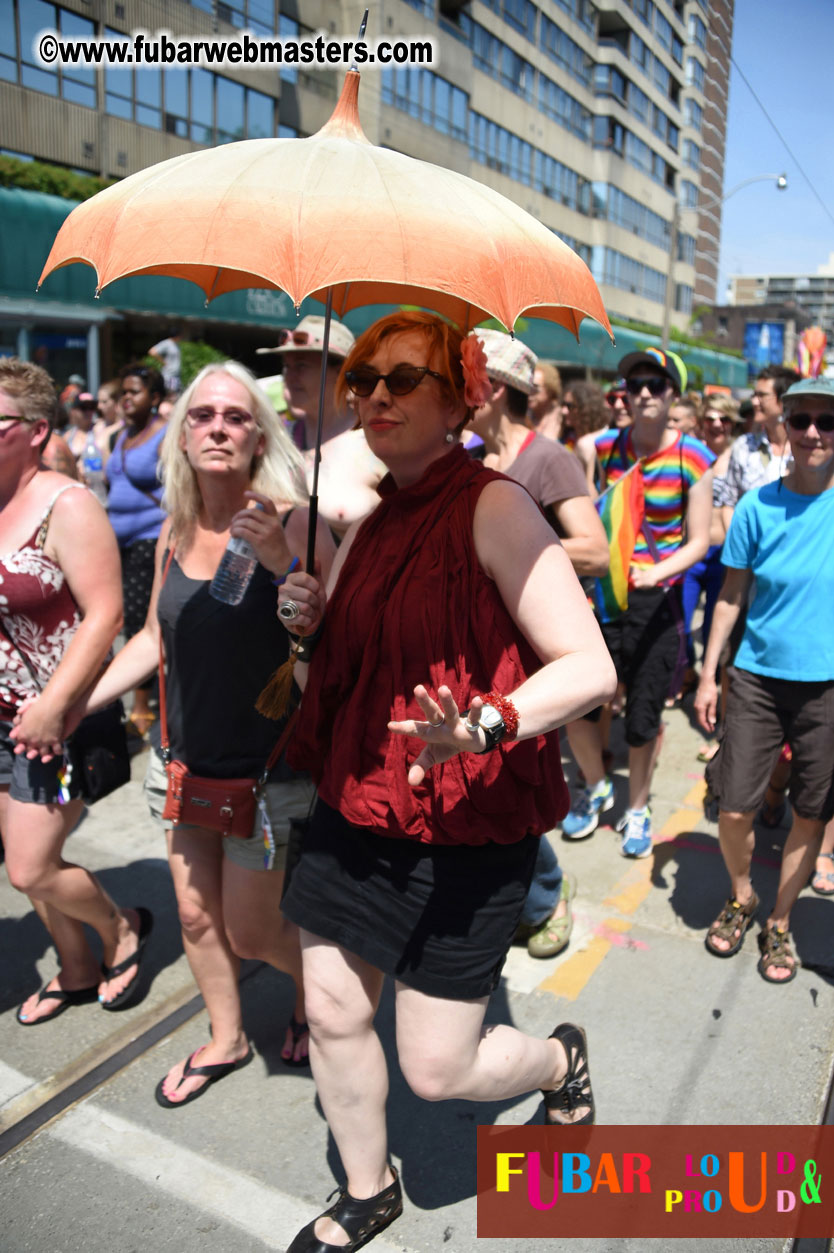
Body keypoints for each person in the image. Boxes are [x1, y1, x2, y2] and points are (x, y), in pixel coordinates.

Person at [275, 311, 616, 1251]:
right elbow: (326, 679)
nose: (375, 395)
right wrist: (305, 619)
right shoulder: (374, 517)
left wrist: (484, 725)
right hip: (358, 805)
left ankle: (558, 1059)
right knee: (336, 1009)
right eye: (364, 380)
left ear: (461, 397)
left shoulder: (496, 506)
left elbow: (591, 669)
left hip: (465, 823)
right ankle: (365, 1186)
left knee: (437, 1067)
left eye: (402, 379)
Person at [73, 362, 336, 1096]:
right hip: (184, 759)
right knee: (192, 912)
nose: (217, 427)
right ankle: (225, 1036)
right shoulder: (175, 529)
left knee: (254, 931)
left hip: (267, 772)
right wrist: (82, 698)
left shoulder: (297, 525)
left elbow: (332, 653)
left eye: (235, 416)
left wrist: (285, 566)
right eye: (202, 415)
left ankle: (318, 988)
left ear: (259, 437)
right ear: (183, 435)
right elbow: (156, 638)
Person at [0, 358, 151, 1024]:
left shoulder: (68, 503)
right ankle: (76, 965)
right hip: (5, 716)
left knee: (30, 868)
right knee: (25, 853)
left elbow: (107, 615)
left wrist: (55, 707)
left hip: (61, 722)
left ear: (34, 430)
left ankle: (118, 927)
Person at [470, 328, 609, 959]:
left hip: (534, 651)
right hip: (477, 644)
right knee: (479, 770)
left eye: (463, 381)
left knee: (512, 774)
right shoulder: (470, 456)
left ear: (495, 389)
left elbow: (598, 551)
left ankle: (545, 893)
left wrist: (516, 551)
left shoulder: (546, 457)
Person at [695, 376, 834, 984]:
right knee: (733, 807)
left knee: (810, 812)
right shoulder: (756, 506)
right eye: (800, 419)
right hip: (754, 677)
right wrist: (707, 676)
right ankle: (743, 894)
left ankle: (779, 921)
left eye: (827, 422)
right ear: (784, 426)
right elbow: (730, 595)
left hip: (826, 686)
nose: (812, 432)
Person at [562, 348, 714, 854]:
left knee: (645, 716)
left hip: (657, 601)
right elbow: (583, 520)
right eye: (635, 384)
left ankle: (638, 807)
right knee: (579, 706)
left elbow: (699, 540)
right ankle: (596, 784)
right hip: (602, 595)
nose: (644, 393)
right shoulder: (602, 447)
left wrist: (657, 571)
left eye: (656, 384)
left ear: (674, 393)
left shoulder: (693, 456)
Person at [260, 315, 386, 540]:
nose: (290, 376)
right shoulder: (276, 441)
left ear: (341, 373)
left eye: (301, 366)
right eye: (287, 366)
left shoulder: (378, 444)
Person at [107, 364, 167, 740]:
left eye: (135, 392)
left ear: (156, 398)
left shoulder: (163, 437)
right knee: (123, 618)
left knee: (139, 620)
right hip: (119, 544)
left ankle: (142, 706)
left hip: (150, 538)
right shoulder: (121, 436)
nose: (126, 399)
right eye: (123, 393)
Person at [684, 395, 743, 754]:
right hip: (691, 555)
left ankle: (720, 729)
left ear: (733, 424)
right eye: (710, 418)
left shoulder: (741, 458)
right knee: (679, 628)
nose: (717, 424)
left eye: (724, 419)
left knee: (716, 644)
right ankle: (687, 676)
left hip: (726, 557)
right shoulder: (691, 455)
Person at [717, 365, 801, 527]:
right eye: (754, 395)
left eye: (762, 395)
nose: (754, 401)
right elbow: (728, 502)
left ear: (784, 399)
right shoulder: (744, 446)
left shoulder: (808, 448)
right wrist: (738, 545)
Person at [559, 379, 608, 451]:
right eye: (563, 405)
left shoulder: (603, 438)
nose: (563, 411)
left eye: (569, 406)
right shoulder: (564, 439)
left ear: (586, 408)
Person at [526, 360, 562, 440]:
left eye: (535, 387)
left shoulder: (563, 417)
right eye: (528, 386)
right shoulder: (525, 414)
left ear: (550, 389)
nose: (529, 392)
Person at [148, 328, 183, 394]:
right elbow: (152, 351)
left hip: (175, 375)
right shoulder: (166, 343)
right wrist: (163, 362)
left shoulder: (176, 345)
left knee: (174, 394)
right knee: (168, 393)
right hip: (168, 374)